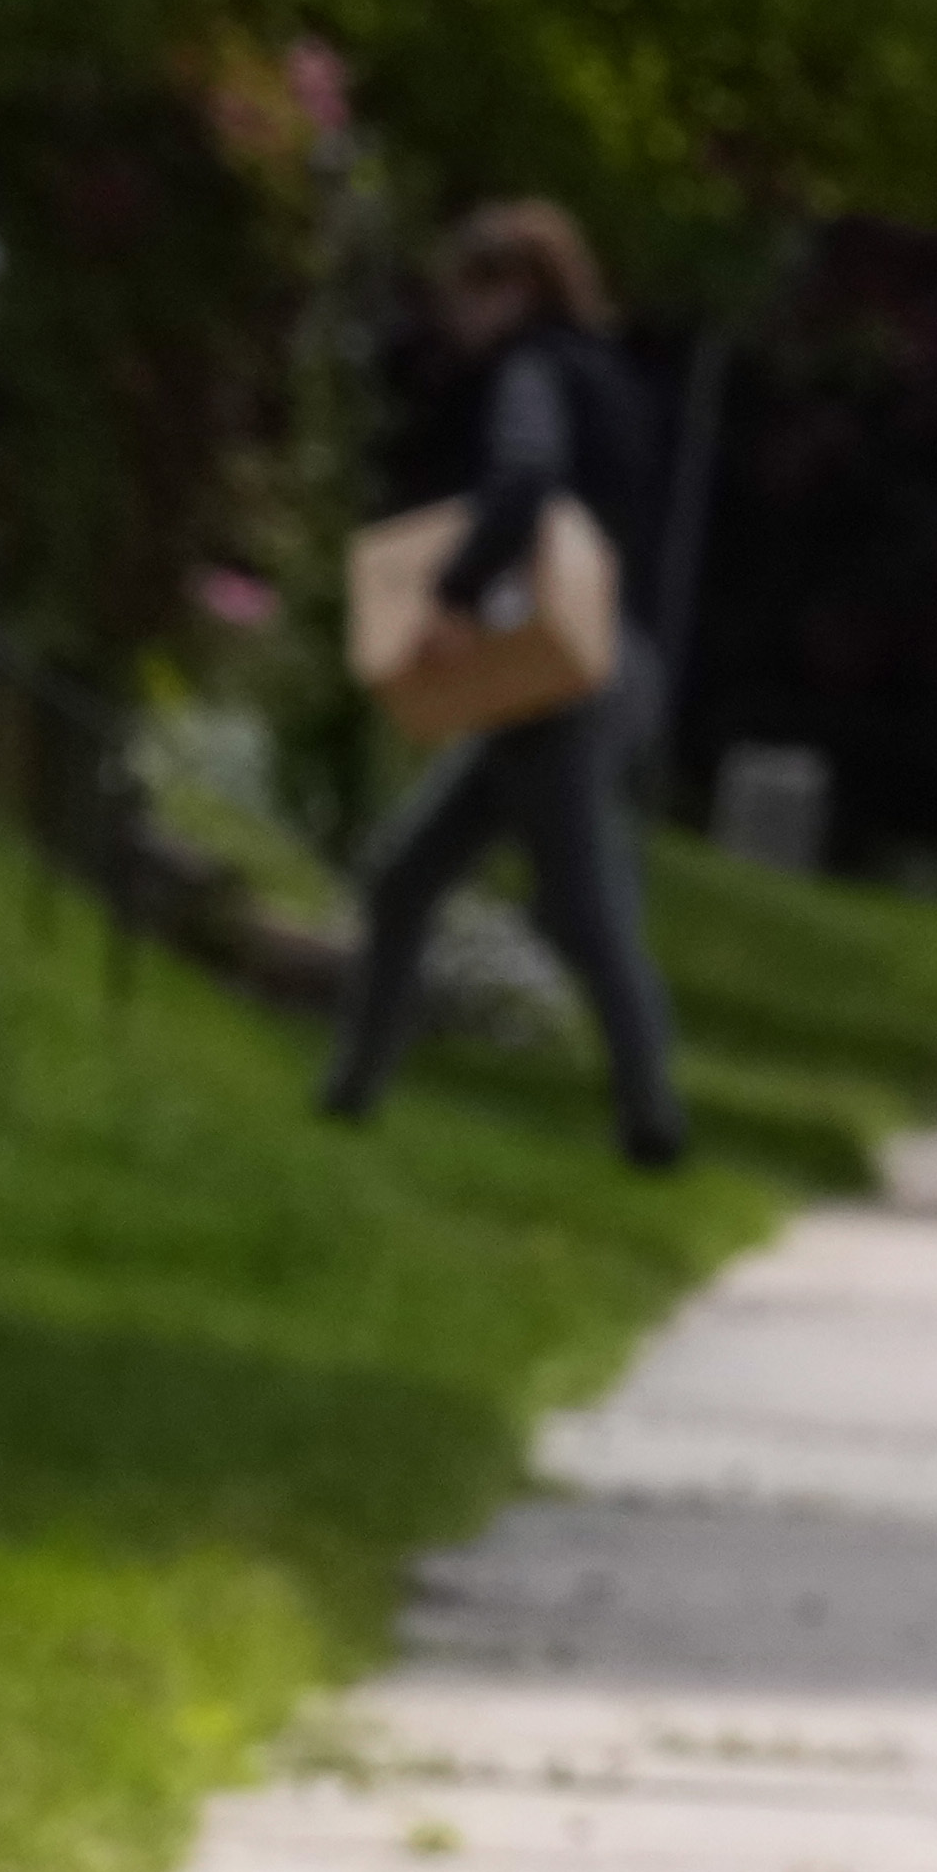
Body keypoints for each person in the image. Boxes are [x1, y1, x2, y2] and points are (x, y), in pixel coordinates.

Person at [323, 198, 689, 1166]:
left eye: (466, 291)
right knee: (403, 876)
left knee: (579, 907)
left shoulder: (529, 373)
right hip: (608, 664)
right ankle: (348, 1092)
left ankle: (650, 1120)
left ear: (513, 290)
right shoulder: (610, 378)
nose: (453, 313)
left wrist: (449, 596)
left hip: (560, 679)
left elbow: (522, 481)